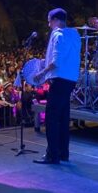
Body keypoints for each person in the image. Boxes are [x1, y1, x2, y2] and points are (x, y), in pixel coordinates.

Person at [33, 8, 81, 164]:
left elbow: (56, 61)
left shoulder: (58, 34)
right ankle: (63, 153)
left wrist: (41, 73)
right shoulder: (75, 35)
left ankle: (52, 155)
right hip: (70, 80)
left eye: (49, 20)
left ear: (55, 20)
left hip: (59, 80)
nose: (48, 24)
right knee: (63, 117)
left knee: (52, 119)